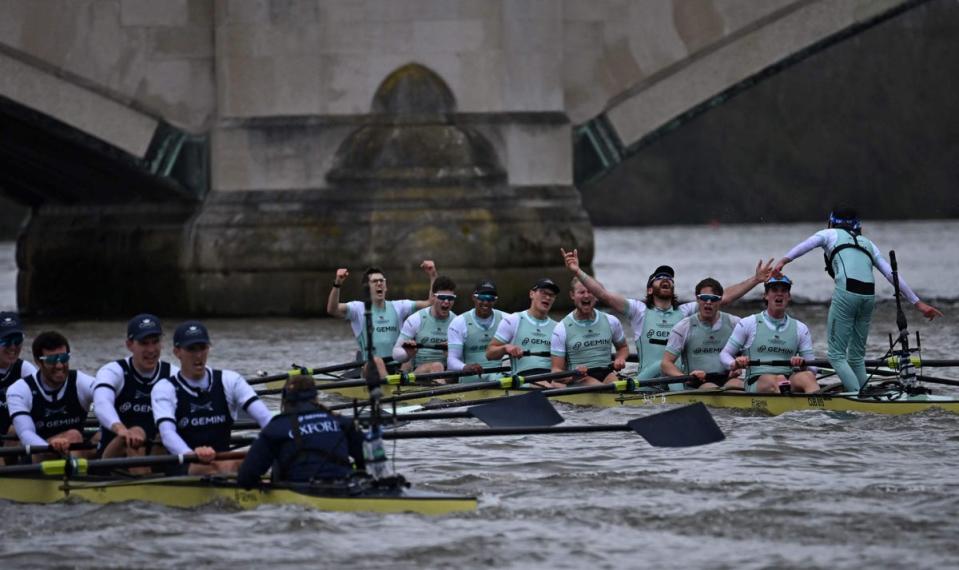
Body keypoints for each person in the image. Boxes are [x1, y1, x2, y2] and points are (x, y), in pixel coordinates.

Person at [773, 208, 943, 392]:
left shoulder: (828, 234)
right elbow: (890, 275)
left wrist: (783, 261)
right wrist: (918, 303)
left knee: (836, 356)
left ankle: (857, 396)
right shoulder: (868, 243)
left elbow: (806, 245)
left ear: (832, 222)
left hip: (847, 293)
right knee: (856, 357)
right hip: (869, 297)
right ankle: (867, 395)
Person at [561, 248, 772, 380]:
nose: (666, 280)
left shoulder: (686, 310)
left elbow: (722, 298)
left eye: (670, 278)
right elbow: (603, 295)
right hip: (647, 381)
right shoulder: (638, 310)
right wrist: (578, 271)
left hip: (678, 380)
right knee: (658, 365)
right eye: (660, 277)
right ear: (650, 289)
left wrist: (755, 280)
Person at [152, 321, 273, 474]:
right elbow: (167, 434)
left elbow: (266, 419)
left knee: (256, 461)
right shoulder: (165, 388)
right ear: (177, 352)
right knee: (220, 467)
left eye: (203, 348)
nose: (198, 355)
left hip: (224, 461)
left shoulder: (230, 380)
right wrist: (191, 455)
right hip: (185, 464)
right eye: (191, 349)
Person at [237, 375, 365, 489]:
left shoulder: (276, 427)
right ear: (315, 396)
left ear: (286, 400)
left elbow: (246, 478)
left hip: (298, 494)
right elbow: (370, 462)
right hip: (346, 488)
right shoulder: (343, 422)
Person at [326, 260, 438, 378]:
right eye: (374, 281)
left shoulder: (399, 306)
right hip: (371, 368)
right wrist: (337, 284)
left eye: (382, 281)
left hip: (398, 367)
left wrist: (433, 275)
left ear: (386, 287)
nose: (379, 283)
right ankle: (392, 389)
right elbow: (332, 309)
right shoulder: (358, 309)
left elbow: (430, 303)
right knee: (377, 361)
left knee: (429, 363)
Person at [94, 314, 178, 470]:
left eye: (155, 342)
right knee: (136, 433)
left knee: (163, 435)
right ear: (129, 345)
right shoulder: (113, 371)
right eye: (144, 343)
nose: (151, 350)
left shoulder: (173, 374)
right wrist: (122, 430)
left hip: (155, 454)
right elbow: (101, 404)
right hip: (111, 460)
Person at [719, 276, 820, 394]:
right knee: (778, 380)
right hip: (756, 380)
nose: (779, 294)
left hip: (788, 379)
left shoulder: (800, 328)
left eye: (783, 291)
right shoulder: (748, 323)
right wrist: (735, 363)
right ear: (766, 295)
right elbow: (724, 354)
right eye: (775, 290)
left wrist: (803, 365)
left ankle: (818, 410)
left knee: (808, 377)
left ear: (789, 297)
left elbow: (813, 369)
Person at [7, 331, 97, 458]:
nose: (60, 366)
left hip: (75, 448)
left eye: (64, 358)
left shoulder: (81, 381)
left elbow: (107, 400)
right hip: (37, 453)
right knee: (73, 435)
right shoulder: (20, 389)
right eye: (52, 360)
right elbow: (25, 432)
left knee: (113, 433)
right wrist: (49, 446)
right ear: (38, 362)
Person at [661, 278, 744, 391]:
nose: (708, 302)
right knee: (711, 389)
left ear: (720, 301)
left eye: (713, 299)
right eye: (704, 298)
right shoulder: (683, 327)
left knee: (738, 385)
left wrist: (740, 364)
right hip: (698, 382)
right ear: (697, 299)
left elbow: (752, 352)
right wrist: (684, 378)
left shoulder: (735, 323)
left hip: (728, 378)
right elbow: (666, 364)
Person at [486, 278, 563, 388]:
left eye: (552, 295)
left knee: (562, 387)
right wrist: (505, 348)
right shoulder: (513, 320)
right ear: (532, 294)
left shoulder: (558, 327)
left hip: (551, 378)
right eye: (543, 293)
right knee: (547, 387)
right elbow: (489, 353)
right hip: (524, 378)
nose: (548, 297)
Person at [550, 276, 628, 385]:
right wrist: (573, 375)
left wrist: (620, 358)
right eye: (581, 292)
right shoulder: (561, 328)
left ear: (596, 295)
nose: (586, 295)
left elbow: (623, 347)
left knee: (618, 386)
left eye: (590, 292)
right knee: (599, 387)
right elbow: (556, 371)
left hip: (607, 374)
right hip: (580, 379)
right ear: (572, 295)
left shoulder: (611, 321)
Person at [392, 276, 458, 377]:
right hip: (420, 372)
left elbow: (466, 358)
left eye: (450, 298)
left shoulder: (457, 322)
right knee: (436, 366)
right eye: (442, 297)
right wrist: (407, 354)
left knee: (441, 367)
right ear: (433, 297)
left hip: (448, 373)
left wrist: (452, 354)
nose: (446, 302)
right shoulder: (416, 319)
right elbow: (395, 354)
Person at [447, 280, 506, 383]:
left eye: (490, 299)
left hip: (499, 379)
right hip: (471, 382)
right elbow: (452, 361)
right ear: (474, 297)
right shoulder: (459, 322)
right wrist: (466, 367)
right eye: (482, 298)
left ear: (495, 300)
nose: (486, 302)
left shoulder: (506, 320)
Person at [1, 312, 37, 441]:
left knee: (16, 429)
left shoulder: (26, 370)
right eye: (5, 341)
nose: (12, 347)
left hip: (13, 440)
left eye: (17, 341)